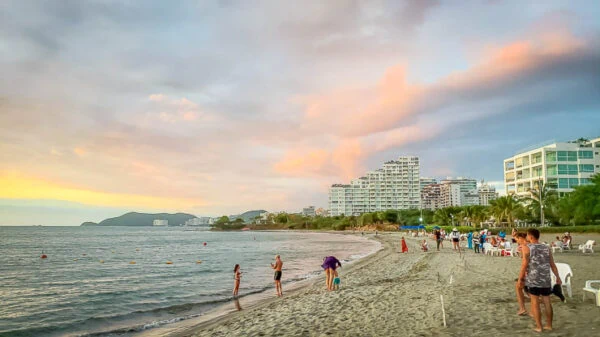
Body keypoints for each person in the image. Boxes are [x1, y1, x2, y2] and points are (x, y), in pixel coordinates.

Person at [517, 229, 561, 332]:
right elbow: (552, 264)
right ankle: (549, 325)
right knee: (547, 301)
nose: (527, 238)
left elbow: (524, 264)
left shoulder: (526, 247)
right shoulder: (546, 247)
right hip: (545, 279)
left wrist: (520, 278)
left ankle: (539, 326)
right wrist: (558, 277)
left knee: (535, 302)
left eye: (527, 236)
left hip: (533, 279)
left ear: (531, 236)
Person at [514, 232, 528, 315]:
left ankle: (522, 308)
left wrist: (521, 276)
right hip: (535, 272)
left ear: (521, 238)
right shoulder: (530, 245)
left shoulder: (524, 247)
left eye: (517, 239)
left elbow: (524, 263)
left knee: (519, 288)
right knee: (528, 291)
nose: (517, 241)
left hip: (528, 272)